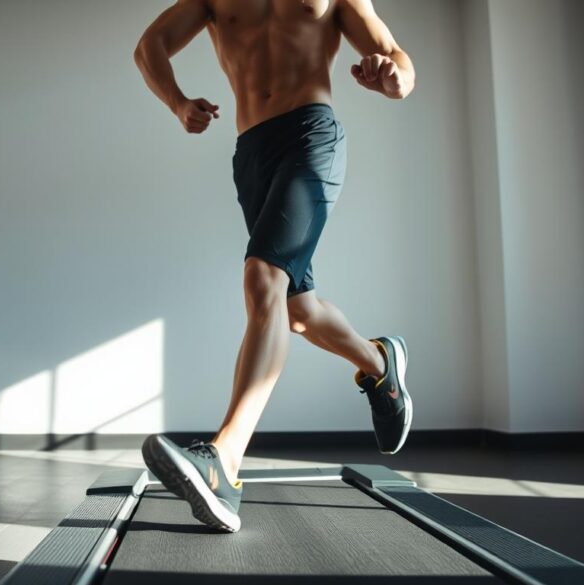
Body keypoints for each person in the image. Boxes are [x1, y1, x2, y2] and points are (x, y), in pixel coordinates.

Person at [133, 0, 415, 533]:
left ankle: (225, 463)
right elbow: (150, 46)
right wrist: (175, 102)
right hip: (251, 153)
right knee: (297, 309)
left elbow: (397, 57)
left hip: (311, 136)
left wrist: (392, 78)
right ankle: (380, 365)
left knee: (263, 280)